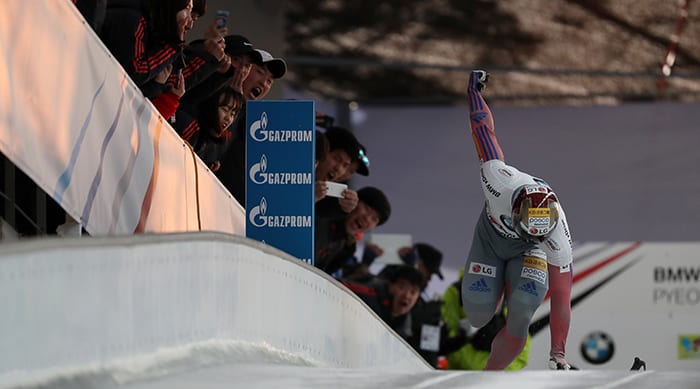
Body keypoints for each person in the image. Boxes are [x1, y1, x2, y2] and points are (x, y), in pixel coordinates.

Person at [460, 70, 574, 370]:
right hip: (489, 240)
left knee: (523, 310)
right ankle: (496, 296)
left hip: (529, 254)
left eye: (538, 233)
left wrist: (558, 352)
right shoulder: (497, 180)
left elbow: (562, 296)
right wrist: (475, 91)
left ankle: (489, 378)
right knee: (477, 315)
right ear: (514, 211)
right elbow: (483, 129)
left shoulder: (555, 233)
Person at [213, 47, 287, 206]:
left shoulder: (255, 125)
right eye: (260, 72)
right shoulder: (213, 95)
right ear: (244, 70)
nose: (264, 83)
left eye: (269, 81)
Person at [442, 269, 530, 370]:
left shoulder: (514, 299)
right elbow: (449, 345)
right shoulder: (457, 293)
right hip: (461, 378)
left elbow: (520, 356)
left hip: (493, 380)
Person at [315, 186, 391, 276]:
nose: (367, 219)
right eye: (367, 209)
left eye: (374, 219)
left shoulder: (348, 248)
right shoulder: (323, 212)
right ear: (354, 201)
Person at [172, 86, 244, 171]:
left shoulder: (212, 146)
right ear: (211, 107)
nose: (228, 119)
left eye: (232, 114)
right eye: (225, 110)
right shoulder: (188, 123)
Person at [342, 265, 425, 339]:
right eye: (401, 287)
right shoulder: (365, 295)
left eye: (413, 292)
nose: (407, 295)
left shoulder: (405, 327)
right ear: (390, 286)